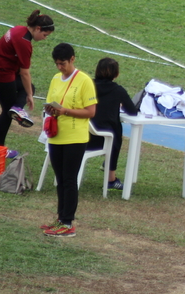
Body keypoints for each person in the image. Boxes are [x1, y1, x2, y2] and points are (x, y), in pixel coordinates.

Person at [41, 43, 97, 238]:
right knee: (60, 179)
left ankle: (68, 222)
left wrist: (65, 111)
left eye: (63, 63)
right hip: (56, 136)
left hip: (75, 138)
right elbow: (49, 102)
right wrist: (51, 110)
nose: (59, 67)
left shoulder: (84, 81)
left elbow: (90, 111)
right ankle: (60, 217)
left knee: (69, 179)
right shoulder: (56, 78)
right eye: (57, 64)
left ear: (72, 59)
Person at [0, 10, 55, 151]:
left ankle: (16, 109)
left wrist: (28, 91)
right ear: (38, 28)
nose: (44, 38)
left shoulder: (19, 29)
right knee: (7, 111)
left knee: (25, 92)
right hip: (1, 73)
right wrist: (29, 96)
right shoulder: (24, 42)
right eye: (45, 35)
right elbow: (25, 73)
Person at [88, 57, 138, 191]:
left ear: (96, 70)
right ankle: (111, 178)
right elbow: (132, 111)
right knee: (116, 132)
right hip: (106, 140)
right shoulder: (118, 90)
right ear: (116, 74)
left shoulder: (87, 85)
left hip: (83, 136)